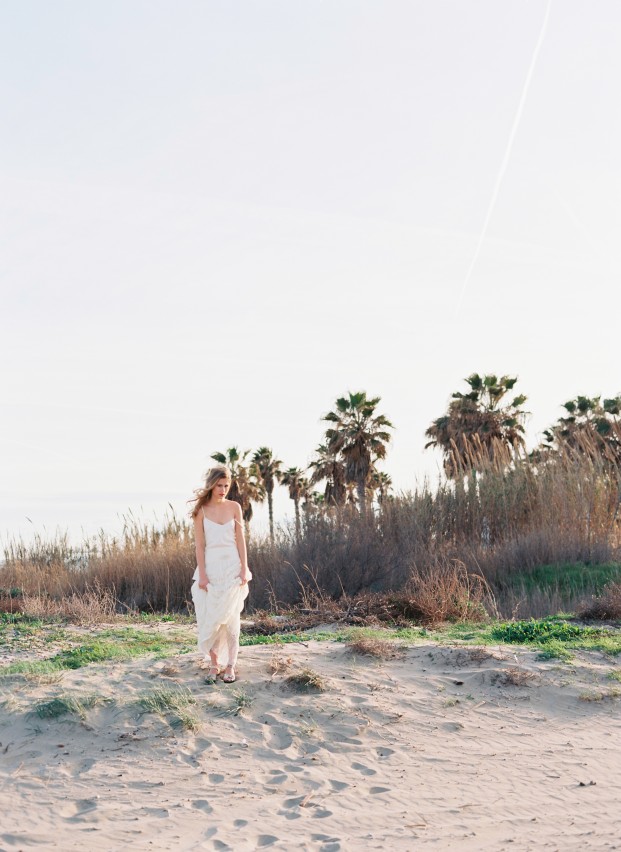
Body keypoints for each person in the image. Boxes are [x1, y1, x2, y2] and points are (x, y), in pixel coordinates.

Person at [189, 465, 252, 684]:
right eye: (219, 485)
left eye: (226, 486)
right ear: (211, 484)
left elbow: (240, 540)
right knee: (211, 617)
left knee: (232, 618)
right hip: (211, 567)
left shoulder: (234, 507)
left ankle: (231, 665)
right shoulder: (201, 510)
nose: (223, 489)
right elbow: (199, 545)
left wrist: (244, 567)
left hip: (232, 566)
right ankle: (214, 664)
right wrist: (203, 575)